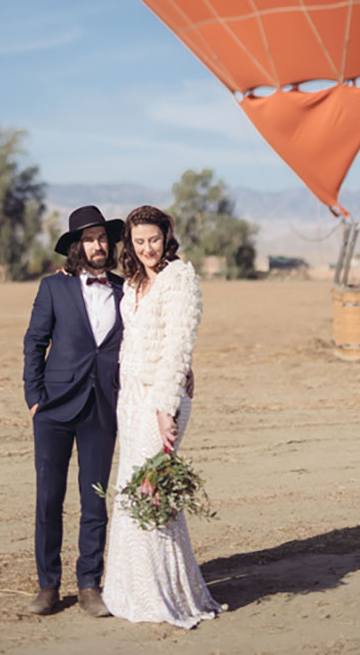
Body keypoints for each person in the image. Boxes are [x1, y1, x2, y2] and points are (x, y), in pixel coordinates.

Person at [102, 205, 222, 628]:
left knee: (150, 487)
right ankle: (131, 589)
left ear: (166, 237)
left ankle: (163, 594)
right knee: (130, 487)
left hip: (161, 395)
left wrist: (166, 408)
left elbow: (177, 345)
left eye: (153, 239)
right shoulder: (135, 281)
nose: (147, 248)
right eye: (139, 241)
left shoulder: (179, 279)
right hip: (131, 396)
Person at [22, 205, 124, 618]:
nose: (98, 245)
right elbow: (34, 341)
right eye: (89, 239)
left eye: (102, 238)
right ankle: (48, 586)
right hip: (54, 407)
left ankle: (88, 585)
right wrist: (34, 397)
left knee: (95, 500)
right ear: (76, 247)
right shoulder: (53, 287)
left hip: (103, 407)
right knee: (49, 499)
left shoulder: (125, 290)